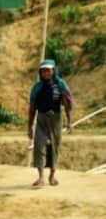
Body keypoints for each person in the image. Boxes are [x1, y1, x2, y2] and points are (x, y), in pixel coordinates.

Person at [28, 59, 74, 187]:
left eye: (48, 70)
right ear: (40, 73)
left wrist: (70, 122)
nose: (46, 73)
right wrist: (30, 127)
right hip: (41, 120)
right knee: (39, 146)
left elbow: (67, 105)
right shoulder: (37, 88)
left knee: (54, 147)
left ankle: (52, 176)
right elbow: (32, 108)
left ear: (53, 71)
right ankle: (41, 177)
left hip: (56, 120)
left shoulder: (60, 86)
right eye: (43, 71)